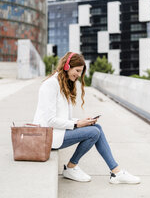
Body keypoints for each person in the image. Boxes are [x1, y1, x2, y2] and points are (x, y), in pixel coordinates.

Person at [33, 52, 141, 184]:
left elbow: (62, 118)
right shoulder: (51, 84)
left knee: (96, 127)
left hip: (56, 132)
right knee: (93, 132)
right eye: (77, 70)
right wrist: (77, 124)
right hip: (47, 136)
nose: (79, 75)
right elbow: (49, 120)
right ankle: (72, 167)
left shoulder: (62, 84)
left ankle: (116, 171)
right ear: (67, 66)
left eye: (80, 72)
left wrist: (83, 122)